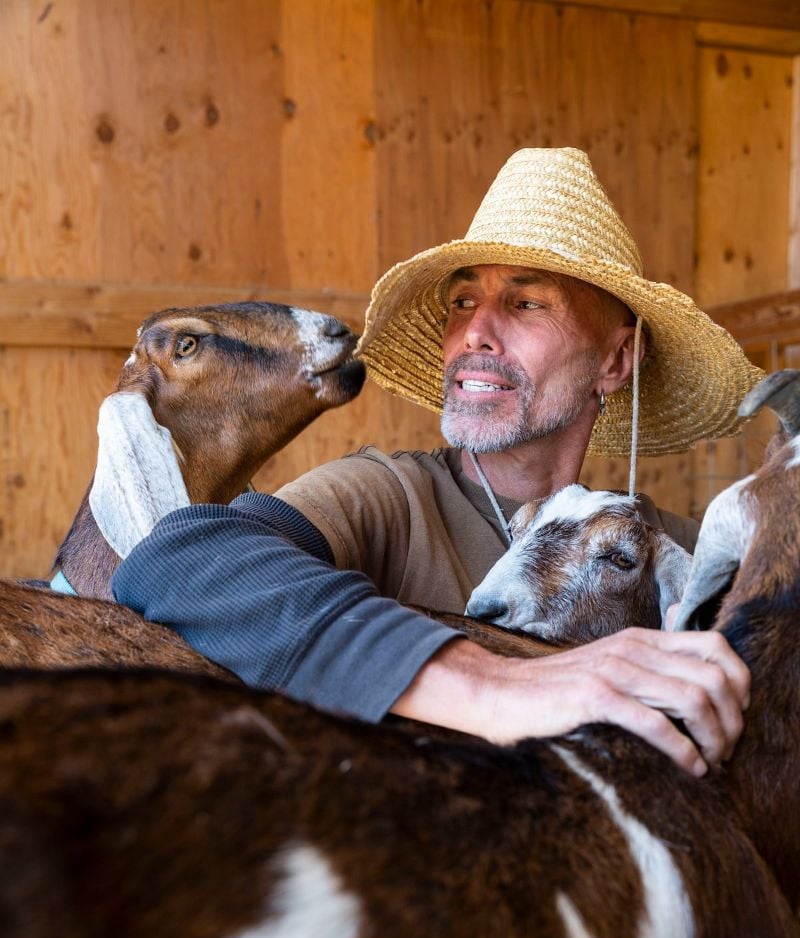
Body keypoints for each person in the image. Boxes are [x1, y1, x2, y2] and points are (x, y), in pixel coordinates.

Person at [112, 147, 761, 777]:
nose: (474, 332)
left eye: (526, 302)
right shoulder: (387, 500)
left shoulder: (684, 554)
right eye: (461, 302)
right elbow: (178, 560)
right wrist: (499, 684)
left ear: (617, 361)